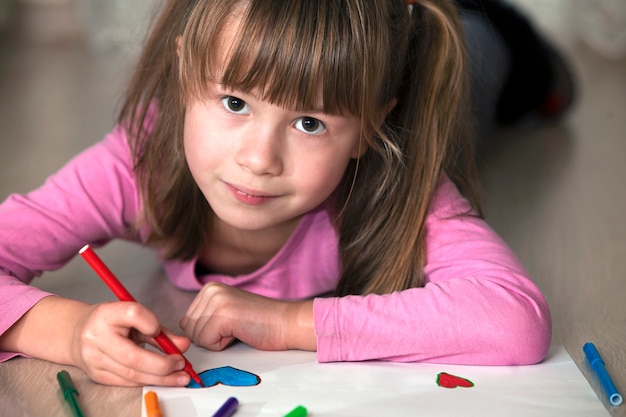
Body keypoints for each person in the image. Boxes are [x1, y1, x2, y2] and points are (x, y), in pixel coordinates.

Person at [0, 0, 551, 387]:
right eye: (235, 102)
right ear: (185, 68)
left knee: (499, 57)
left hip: (487, 65)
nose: (259, 159)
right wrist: (70, 332)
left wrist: (287, 322)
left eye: (310, 123)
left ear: (367, 127)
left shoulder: (401, 177)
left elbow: (514, 319)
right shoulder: (138, 162)